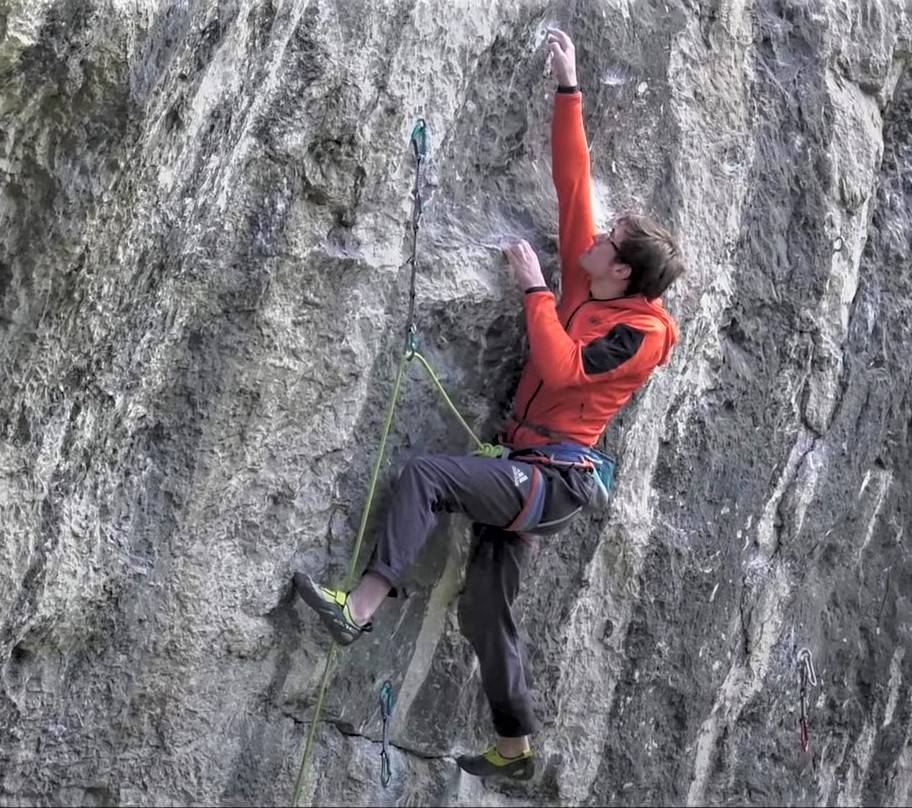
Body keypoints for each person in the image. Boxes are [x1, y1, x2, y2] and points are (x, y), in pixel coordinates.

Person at [292, 28, 684, 781]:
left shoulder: (639, 331)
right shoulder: (592, 280)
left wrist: (535, 287)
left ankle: (358, 608)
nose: (596, 236)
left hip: (552, 480)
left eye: (612, 240)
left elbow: (565, 371)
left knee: (428, 478)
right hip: (530, 467)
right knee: (483, 611)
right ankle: (516, 748)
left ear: (624, 272)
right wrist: (568, 86)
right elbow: (575, 181)